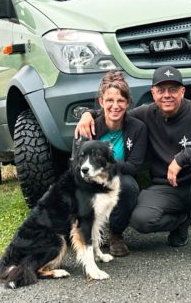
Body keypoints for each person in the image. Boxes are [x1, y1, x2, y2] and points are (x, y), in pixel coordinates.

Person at [75, 66, 191, 259]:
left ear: (183, 91)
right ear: (153, 93)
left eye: (173, 89)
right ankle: (181, 219)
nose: (167, 95)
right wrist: (88, 114)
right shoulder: (145, 114)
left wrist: (183, 158)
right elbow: (116, 110)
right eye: (161, 90)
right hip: (165, 188)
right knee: (141, 220)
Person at [78, 71, 147, 257]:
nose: (115, 106)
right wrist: (87, 114)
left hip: (117, 178)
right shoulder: (88, 127)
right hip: (89, 178)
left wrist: (104, 165)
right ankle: (85, 234)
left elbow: (133, 167)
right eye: (110, 100)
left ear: (128, 103)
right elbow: (77, 166)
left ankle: (116, 234)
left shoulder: (138, 128)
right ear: (101, 102)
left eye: (120, 101)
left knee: (129, 185)